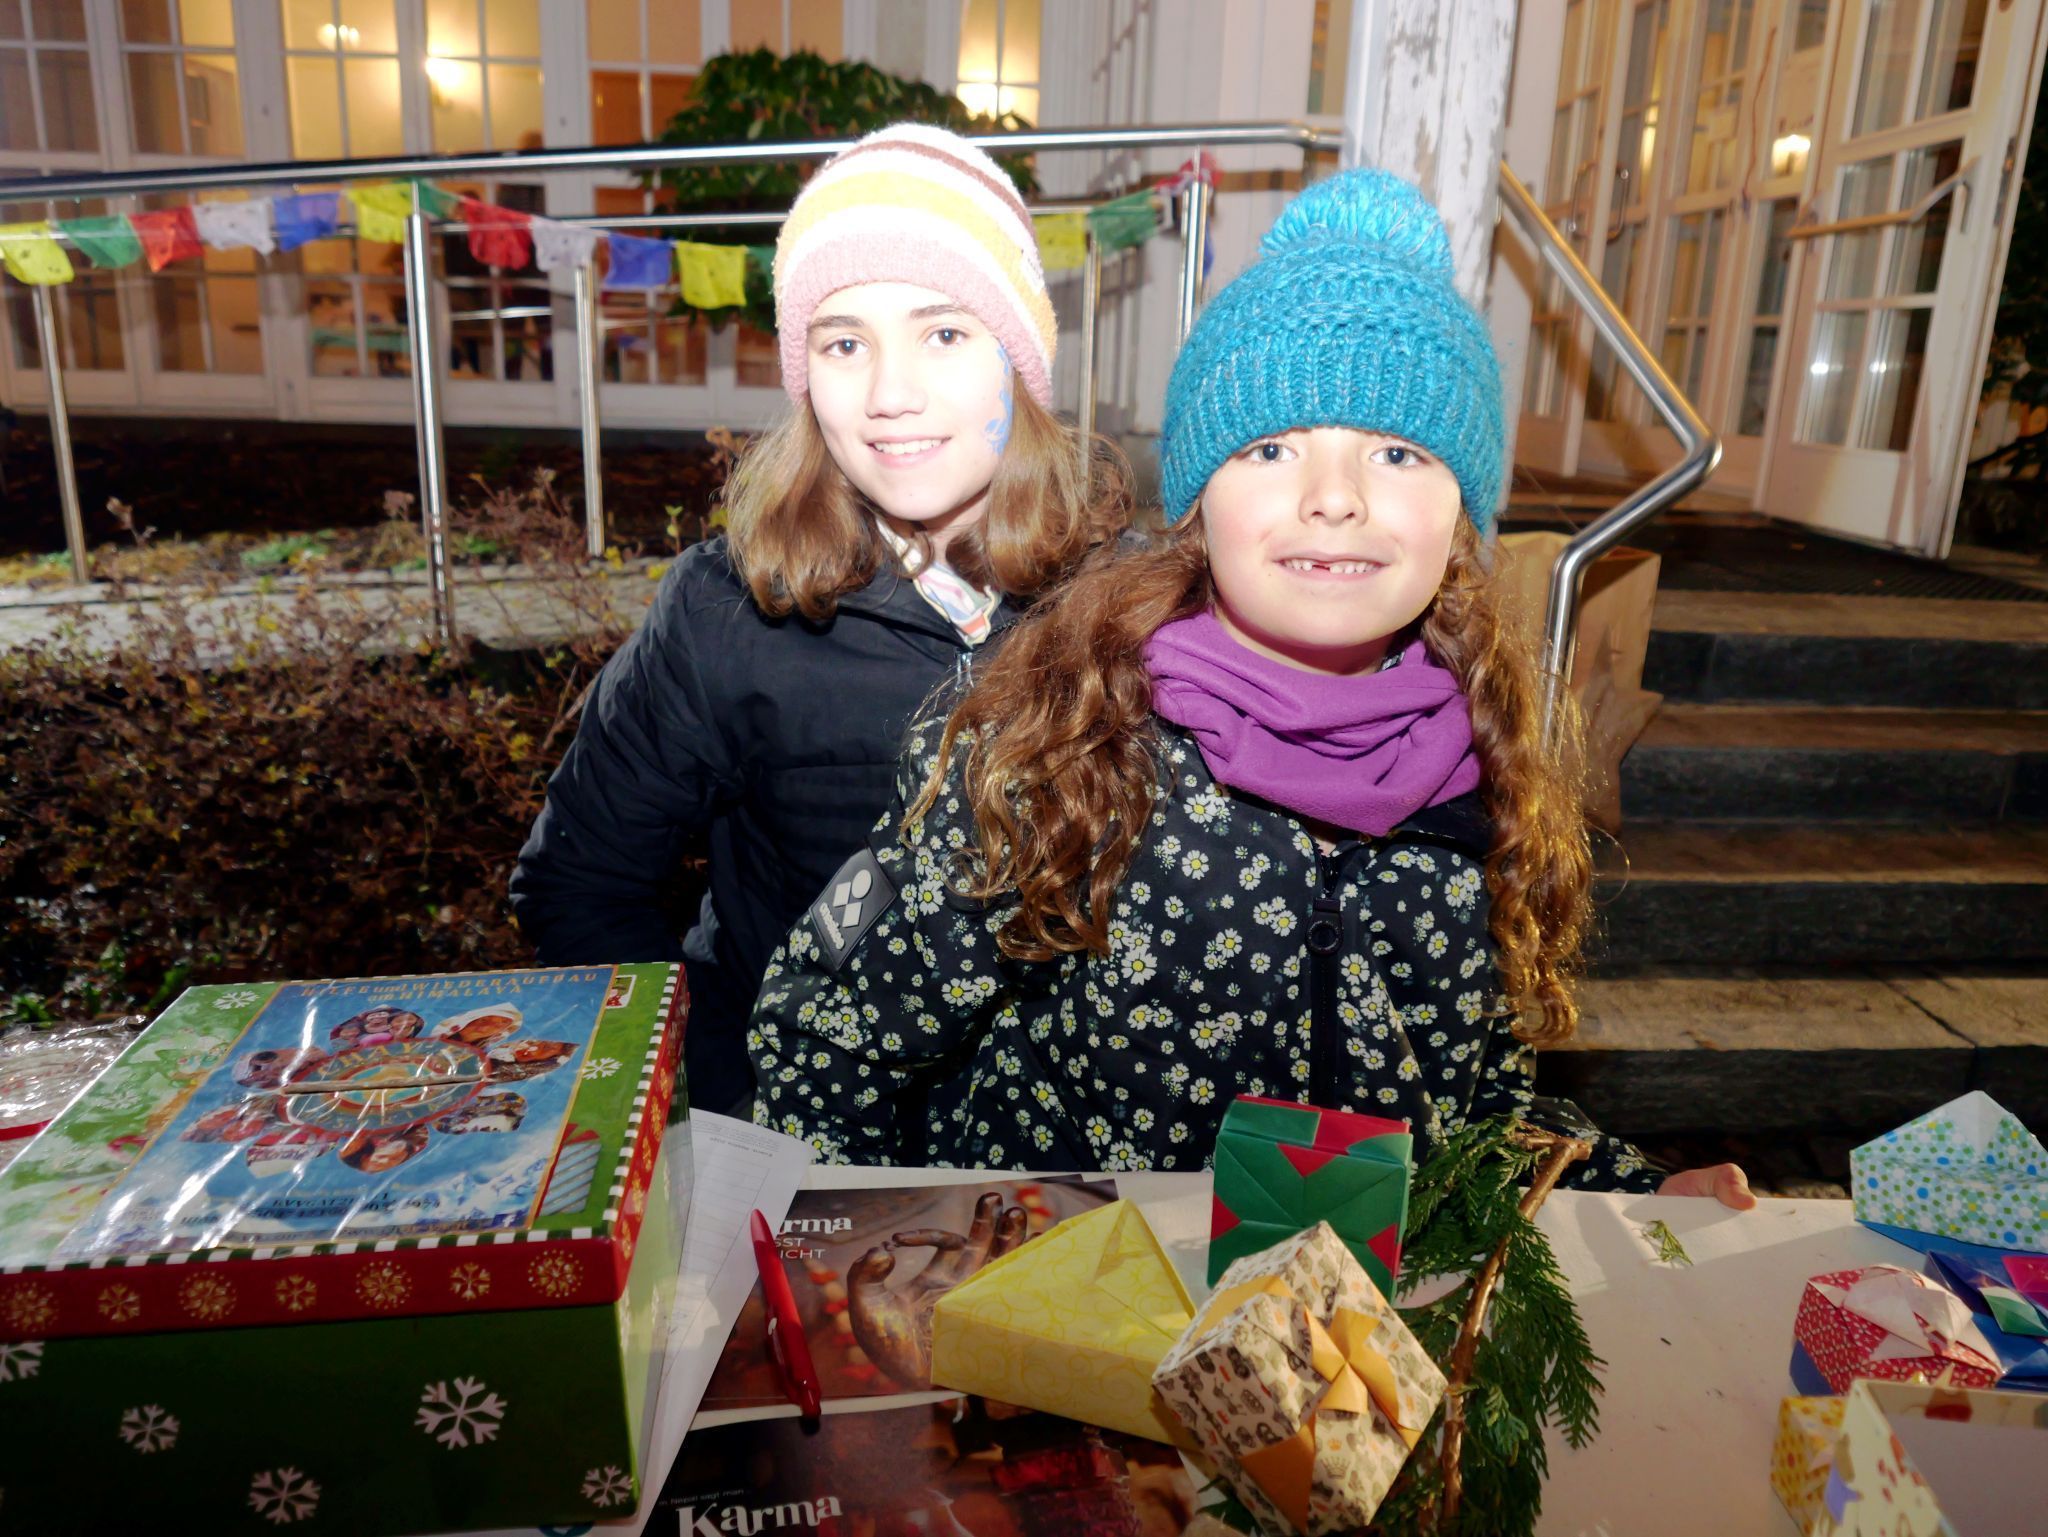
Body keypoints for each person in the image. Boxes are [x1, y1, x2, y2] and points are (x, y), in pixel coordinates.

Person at [749, 170, 1754, 1207]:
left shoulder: (1487, 778)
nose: (1331, 499)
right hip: (1064, 1329)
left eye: (1397, 452)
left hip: (1333, 1341)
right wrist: (879, 1278)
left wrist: (1630, 1189)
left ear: (1461, 514)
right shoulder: (1062, 751)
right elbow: (828, 1039)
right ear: (1195, 502)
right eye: (1270, 448)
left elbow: (1473, 1110)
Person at [511, 124, 1130, 1113]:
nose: (889, 393)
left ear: (1016, 362)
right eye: (844, 342)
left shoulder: (1125, 603)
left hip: (1054, 1155)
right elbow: (577, 887)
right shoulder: (728, 613)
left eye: (943, 333)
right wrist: (718, 1096)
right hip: (790, 1144)